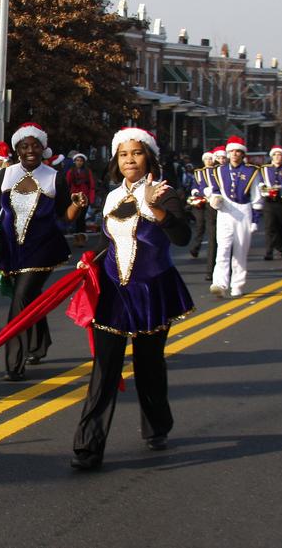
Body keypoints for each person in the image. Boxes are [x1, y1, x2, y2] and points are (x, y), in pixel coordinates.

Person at [70, 129, 194, 470]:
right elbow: (113, 241)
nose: (129, 159)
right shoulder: (110, 197)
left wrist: (155, 207)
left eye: (136, 153)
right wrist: (91, 257)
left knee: (148, 363)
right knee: (104, 368)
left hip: (152, 289)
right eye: (123, 154)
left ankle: (157, 426)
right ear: (116, 160)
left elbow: (182, 236)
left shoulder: (165, 193)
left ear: (148, 157)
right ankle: (88, 446)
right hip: (112, 292)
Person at [0, 122, 86, 381]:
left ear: (43, 148)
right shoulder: (5, 174)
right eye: (25, 146)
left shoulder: (53, 177)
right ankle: (40, 344)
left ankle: (14, 363)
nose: (30, 150)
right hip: (10, 248)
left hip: (42, 248)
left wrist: (77, 206)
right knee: (30, 297)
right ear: (17, 149)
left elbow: (65, 217)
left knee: (21, 298)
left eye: (35, 145)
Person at [206, 136, 261, 298]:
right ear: (228, 153)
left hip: (243, 211)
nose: (235, 154)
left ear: (242, 154)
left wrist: (255, 219)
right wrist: (215, 199)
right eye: (232, 151)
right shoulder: (219, 170)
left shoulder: (251, 171)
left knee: (240, 251)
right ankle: (220, 283)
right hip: (225, 211)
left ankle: (237, 284)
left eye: (238, 151)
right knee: (222, 248)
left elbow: (256, 197)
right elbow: (215, 189)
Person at [188, 151, 218, 282]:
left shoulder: (217, 171)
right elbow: (195, 186)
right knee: (200, 225)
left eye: (210, 159)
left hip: (212, 203)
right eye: (206, 159)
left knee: (211, 229)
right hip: (200, 203)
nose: (208, 161)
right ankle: (196, 247)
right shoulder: (198, 172)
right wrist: (196, 192)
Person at [258, 146, 282, 261]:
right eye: (275, 155)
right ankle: (269, 251)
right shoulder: (265, 169)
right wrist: (266, 190)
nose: (277, 157)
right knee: (269, 226)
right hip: (269, 200)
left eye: (279, 155)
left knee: (281, 226)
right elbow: (260, 183)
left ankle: (280, 249)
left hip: (281, 201)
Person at [66, 152, 96, 234]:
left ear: (83, 162)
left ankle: (81, 233)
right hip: (73, 196)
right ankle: (74, 232)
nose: (79, 162)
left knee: (82, 216)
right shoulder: (71, 171)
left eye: (81, 161)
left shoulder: (87, 171)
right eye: (77, 160)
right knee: (74, 215)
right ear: (74, 161)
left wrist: (91, 198)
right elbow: (67, 184)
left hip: (84, 196)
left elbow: (92, 185)